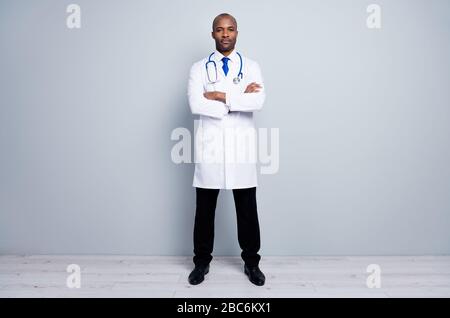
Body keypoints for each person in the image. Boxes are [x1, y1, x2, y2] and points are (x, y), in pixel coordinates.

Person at [187, 13, 266, 286]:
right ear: (213, 34)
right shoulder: (199, 69)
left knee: (247, 210)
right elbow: (196, 105)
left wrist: (220, 96)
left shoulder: (252, 66)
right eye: (219, 30)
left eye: (230, 29)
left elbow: (258, 102)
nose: (225, 34)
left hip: (241, 150)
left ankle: (252, 264)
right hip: (210, 148)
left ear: (237, 33)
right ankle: (201, 263)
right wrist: (237, 99)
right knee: (204, 211)